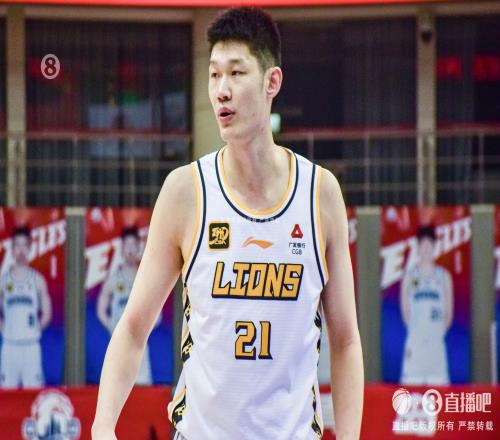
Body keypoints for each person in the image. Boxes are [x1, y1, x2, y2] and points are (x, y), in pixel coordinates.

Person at [92, 7, 363, 440]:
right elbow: (133, 327)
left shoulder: (320, 193)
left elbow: (345, 339)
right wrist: (103, 426)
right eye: (214, 75)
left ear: (271, 82)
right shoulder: (185, 191)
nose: (221, 90)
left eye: (236, 73)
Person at [96, 227, 153, 385]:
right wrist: (112, 326)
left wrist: (144, 328)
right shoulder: (114, 278)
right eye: (127, 245)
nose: (130, 250)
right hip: (119, 343)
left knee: (143, 389)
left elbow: (158, 314)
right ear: (121, 249)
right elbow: (101, 308)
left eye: (133, 245)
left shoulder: (146, 278)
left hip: (140, 343)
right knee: (117, 386)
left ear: (139, 248)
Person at [400, 225, 453, 385]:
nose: (426, 250)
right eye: (423, 245)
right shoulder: (409, 277)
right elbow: (405, 311)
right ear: (418, 247)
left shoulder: (444, 277)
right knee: (411, 393)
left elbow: (449, 313)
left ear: (435, 246)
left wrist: (435, 333)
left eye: (429, 245)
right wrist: (418, 332)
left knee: (439, 393)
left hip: (436, 346)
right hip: (415, 346)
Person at [0, 226, 52, 388]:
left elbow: (47, 311)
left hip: (31, 347)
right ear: (12, 249)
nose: (21, 250)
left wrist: (37, 328)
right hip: (10, 346)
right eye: (17, 245)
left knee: (33, 391)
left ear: (30, 248)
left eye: (24, 245)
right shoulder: (3, 280)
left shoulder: (38, 280)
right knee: (6, 394)